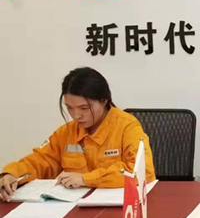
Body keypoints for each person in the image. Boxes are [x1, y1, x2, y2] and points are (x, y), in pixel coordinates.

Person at [0, 67, 155, 202]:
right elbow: (40, 161)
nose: (76, 115)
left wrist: (85, 179)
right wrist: (12, 174)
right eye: (69, 108)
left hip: (119, 210)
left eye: (84, 108)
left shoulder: (127, 126)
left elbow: (143, 171)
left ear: (104, 100)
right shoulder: (67, 132)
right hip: (74, 209)